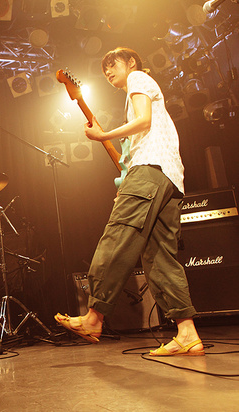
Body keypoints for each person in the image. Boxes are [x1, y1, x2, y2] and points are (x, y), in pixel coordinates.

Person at [55, 47, 204, 356]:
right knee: (160, 257)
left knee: (118, 236)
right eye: (104, 68)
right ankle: (187, 333)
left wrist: (103, 135)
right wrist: (127, 182)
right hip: (170, 178)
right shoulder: (138, 93)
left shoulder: (138, 78)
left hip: (150, 171)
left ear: (132, 62)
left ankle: (94, 317)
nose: (108, 71)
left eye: (113, 64)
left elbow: (144, 121)